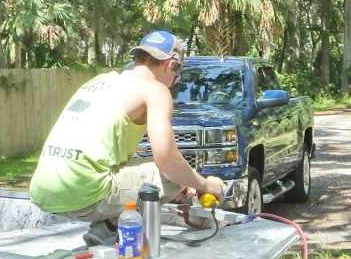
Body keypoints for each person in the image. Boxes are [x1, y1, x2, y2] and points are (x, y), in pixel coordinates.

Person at [29, 29, 225, 246]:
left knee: (165, 175)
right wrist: (204, 185)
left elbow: (114, 156)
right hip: (83, 194)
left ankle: (107, 227)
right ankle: (109, 228)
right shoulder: (155, 90)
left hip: (42, 190)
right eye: (176, 75)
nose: (173, 82)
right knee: (170, 175)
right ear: (172, 65)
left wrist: (181, 186)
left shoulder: (101, 81)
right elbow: (168, 161)